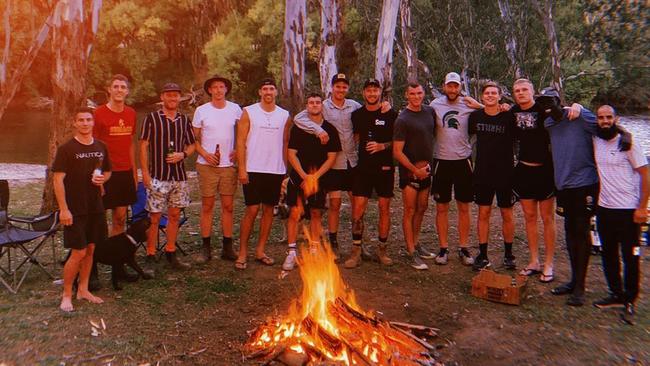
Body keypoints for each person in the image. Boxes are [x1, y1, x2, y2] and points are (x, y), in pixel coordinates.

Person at [540, 87, 598, 306]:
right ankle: (574, 281)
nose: (548, 106)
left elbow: (606, 126)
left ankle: (581, 288)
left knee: (582, 232)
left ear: (559, 101)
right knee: (569, 232)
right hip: (563, 186)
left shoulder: (579, 116)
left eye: (551, 102)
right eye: (543, 103)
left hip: (584, 185)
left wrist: (624, 135)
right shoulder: (548, 124)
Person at [292, 73, 361, 254]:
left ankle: (358, 244)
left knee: (358, 205)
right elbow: (298, 118)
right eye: (337, 86)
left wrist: (384, 105)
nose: (341, 89)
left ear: (347, 88)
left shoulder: (354, 106)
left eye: (344, 86)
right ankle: (333, 242)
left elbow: (369, 115)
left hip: (352, 161)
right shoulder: (322, 105)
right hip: (334, 163)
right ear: (332, 88)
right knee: (335, 204)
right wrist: (318, 130)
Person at [592, 105, 647, 325]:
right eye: (601, 117)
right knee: (609, 253)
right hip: (605, 208)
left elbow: (645, 175)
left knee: (631, 255)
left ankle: (630, 298)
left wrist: (643, 208)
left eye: (608, 117)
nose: (605, 121)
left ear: (616, 118)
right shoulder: (596, 140)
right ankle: (615, 293)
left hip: (629, 210)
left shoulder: (629, 143)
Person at [53, 107, 112, 312]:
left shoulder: (101, 146)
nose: (85, 123)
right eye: (81, 120)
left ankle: (84, 290)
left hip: (95, 207)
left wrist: (102, 179)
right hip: (74, 209)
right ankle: (67, 294)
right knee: (78, 252)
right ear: (75, 123)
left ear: (93, 122)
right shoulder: (66, 149)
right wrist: (63, 209)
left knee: (91, 249)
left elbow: (107, 172)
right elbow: (58, 180)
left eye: (88, 119)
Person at [235, 78, 292, 270]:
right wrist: (242, 168)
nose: (268, 92)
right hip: (253, 168)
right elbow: (240, 141)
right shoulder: (248, 112)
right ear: (260, 91)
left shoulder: (284, 115)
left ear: (276, 92)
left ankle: (260, 250)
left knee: (269, 210)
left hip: (275, 170)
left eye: (272, 89)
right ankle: (242, 252)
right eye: (265, 88)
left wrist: (285, 169)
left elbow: (285, 142)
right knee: (252, 210)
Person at [139, 83, 196, 270]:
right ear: (162, 97)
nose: (172, 99)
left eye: (176, 96)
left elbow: (192, 145)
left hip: (178, 176)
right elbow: (143, 147)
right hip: (158, 175)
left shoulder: (184, 120)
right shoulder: (152, 119)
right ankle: (150, 254)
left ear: (180, 98)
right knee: (154, 217)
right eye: (169, 95)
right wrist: (145, 173)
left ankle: (171, 252)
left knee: (174, 215)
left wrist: (183, 155)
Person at [282, 93, 341, 271]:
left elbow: (332, 157)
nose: (314, 105)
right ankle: (292, 252)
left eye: (317, 102)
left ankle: (314, 250)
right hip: (299, 177)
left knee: (316, 213)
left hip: (319, 178)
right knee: (294, 213)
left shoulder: (330, 129)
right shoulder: (298, 127)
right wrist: (304, 176)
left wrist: (315, 177)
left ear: (321, 105)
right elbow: (291, 153)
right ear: (306, 106)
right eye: (311, 102)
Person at [429, 72, 482, 266]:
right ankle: (443, 248)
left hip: (463, 162)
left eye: (456, 86)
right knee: (441, 207)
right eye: (449, 86)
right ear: (444, 86)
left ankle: (464, 248)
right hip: (441, 161)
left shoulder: (468, 104)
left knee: (464, 207)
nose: (452, 89)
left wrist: (480, 105)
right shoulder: (435, 105)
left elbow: (490, 113)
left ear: (460, 87)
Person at [344, 78, 397, 268]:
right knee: (358, 210)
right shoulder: (357, 115)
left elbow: (398, 142)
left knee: (384, 208)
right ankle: (356, 250)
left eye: (375, 91)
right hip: (363, 168)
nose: (372, 94)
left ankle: (382, 249)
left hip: (384, 168)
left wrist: (383, 146)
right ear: (363, 93)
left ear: (380, 93)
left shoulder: (391, 113)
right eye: (369, 91)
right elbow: (356, 138)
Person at [92, 74, 138, 287]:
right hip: (104, 174)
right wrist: (96, 176)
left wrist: (134, 171)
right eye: (116, 86)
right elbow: (91, 147)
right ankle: (91, 269)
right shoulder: (98, 114)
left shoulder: (131, 113)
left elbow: (130, 144)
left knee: (120, 219)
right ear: (109, 90)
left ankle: (117, 267)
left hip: (124, 173)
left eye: (123, 87)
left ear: (127, 91)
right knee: (98, 223)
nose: (119, 90)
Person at [510, 78, 556, 282]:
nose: (520, 93)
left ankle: (548, 263)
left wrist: (577, 107)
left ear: (532, 91)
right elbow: (492, 110)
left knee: (547, 218)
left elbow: (565, 113)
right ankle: (534, 261)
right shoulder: (512, 112)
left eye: (524, 90)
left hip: (545, 172)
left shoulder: (544, 108)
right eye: (517, 90)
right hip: (523, 171)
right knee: (529, 217)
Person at [467, 82, 516, 271]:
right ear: (482, 97)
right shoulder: (475, 117)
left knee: (507, 213)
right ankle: (483, 254)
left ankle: (509, 254)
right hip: (483, 173)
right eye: (487, 93)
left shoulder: (508, 117)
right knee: (483, 213)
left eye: (494, 93)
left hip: (505, 173)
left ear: (500, 96)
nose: (490, 96)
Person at [192, 75, 241, 263]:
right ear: (210, 90)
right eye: (215, 87)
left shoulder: (235, 109)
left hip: (228, 166)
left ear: (226, 90)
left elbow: (244, 132)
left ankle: (227, 247)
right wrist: (205, 154)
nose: (219, 90)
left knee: (228, 206)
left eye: (222, 87)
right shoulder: (201, 110)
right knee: (207, 206)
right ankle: (206, 248)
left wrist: (238, 150)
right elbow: (194, 140)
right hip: (207, 166)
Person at [393, 83, 436, 270]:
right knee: (410, 210)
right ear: (406, 95)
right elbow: (397, 151)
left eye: (419, 93)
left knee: (422, 207)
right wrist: (413, 169)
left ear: (423, 93)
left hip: (426, 169)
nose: (416, 96)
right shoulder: (402, 119)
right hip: (409, 171)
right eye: (412, 93)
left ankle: (416, 243)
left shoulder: (430, 112)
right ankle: (410, 251)